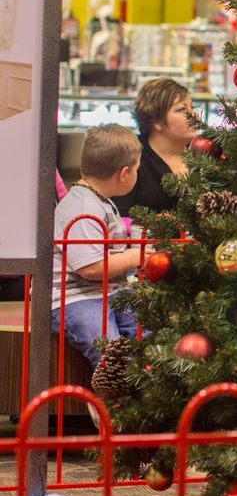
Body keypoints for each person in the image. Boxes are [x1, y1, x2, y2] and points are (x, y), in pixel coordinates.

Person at [51, 124, 148, 368]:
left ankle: (144, 391)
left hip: (109, 292)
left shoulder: (100, 201)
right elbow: (91, 268)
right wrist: (136, 256)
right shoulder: (83, 207)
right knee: (108, 349)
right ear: (124, 173)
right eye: (137, 169)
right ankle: (113, 401)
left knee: (146, 331)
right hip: (74, 299)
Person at [114, 77, 197, 215]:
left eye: (192, 107)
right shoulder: (131, 157)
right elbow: (120, 220)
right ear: (156, 120)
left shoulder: (207, 153)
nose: (193, 115)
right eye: (182, 109)